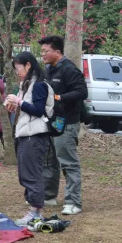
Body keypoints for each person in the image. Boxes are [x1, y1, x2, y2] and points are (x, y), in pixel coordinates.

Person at [39, 35, 88, 216]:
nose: (42, 54)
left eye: (46, 51)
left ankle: (73, 202)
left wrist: (59, 98)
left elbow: (82, 92)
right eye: (42, 51)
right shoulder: (48, 70)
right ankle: (49, 196)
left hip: (67, 123)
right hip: (51, 122)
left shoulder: (69, 69)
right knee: (50, 160)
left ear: (57, 52)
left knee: (68, 163)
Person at [5, 51, 55, 226]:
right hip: (27, 135)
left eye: (18, 68)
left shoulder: (39, 85)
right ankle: (35, 211)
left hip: (35, 136)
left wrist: (19, 102)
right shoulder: (27, 85)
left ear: (28, 65)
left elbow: (39, 110)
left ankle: (35, 213)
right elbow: (29, 109)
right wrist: (16, 106)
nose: (17, 72)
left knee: (32, 175)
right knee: (26, 174)